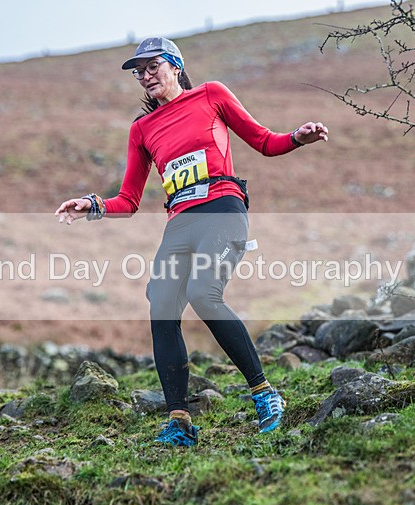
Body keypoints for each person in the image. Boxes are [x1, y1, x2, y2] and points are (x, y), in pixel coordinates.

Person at [55, 37, 329, 446]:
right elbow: (129, 200)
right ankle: (179, 422)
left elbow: (263, 141)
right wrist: (92, 205)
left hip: (222, 210)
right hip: (180, 221)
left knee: (204, 293)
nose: (146, 76)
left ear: (176, 66)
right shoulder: (142, 129)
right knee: (162, 305)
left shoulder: (211, 95)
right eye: (139, 71)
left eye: (153, 67)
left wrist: (297, 137)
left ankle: (265, 395)